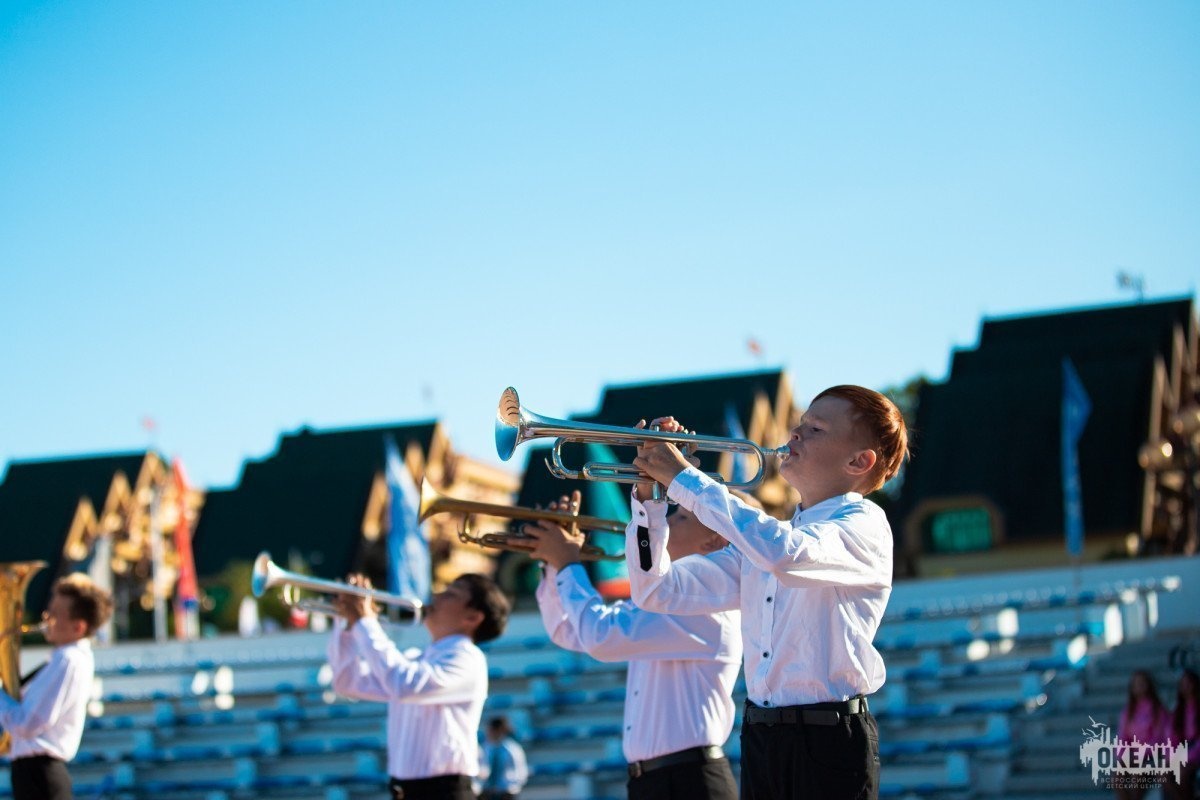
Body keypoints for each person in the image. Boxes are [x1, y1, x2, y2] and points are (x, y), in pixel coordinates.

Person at [628, 385, 909, 800]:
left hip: (828, 739)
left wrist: (686, 478)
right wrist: (649, 500)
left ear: (858, 461)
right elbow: (658, 592)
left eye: (814, 429)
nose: (794, 434)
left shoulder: (863, 523)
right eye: (800, 424)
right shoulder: (770, 540)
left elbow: (786, 555)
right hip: (761, 735)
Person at [523, 490, 742, 800]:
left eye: (680, 517)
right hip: (656, 780)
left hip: (688, 781)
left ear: (714, 542)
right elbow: (569, 631)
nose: (666, 522)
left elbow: (601, 636)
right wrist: (555, 565)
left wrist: (568, 563)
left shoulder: (703, 609)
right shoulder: (665, 601)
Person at [327, 573, 510, 800]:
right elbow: (348, 682)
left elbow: (403, 684)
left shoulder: (468, 659)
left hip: (443, 792)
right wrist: (347, 623)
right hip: (404, 790)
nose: (436, 595)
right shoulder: (416, 658)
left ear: (472, 617)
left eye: (451, 594)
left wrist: (365, 622)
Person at [0, 573, 114, 800]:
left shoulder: (68, 659)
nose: (46, 618)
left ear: (78, 627)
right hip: (33, 773)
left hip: (40, 776)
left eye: (54, 614)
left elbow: (28, 723)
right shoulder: (63, 659)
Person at [1165, 669, 1199, 800]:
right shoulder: (1177, 710)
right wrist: (1172, 757)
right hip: (1181, 752)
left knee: (1182, 774)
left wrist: (1187, 757)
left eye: (1189, 683)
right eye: (1183, 684)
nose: (1186, 687)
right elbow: (1171, 737)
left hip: (1195, 753)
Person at [478, 715, 529, 800]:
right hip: (487, 792)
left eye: (490, 730)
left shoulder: (512, 749)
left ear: (498, 730)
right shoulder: (486, 748)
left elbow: (520, 772)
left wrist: (510, 787)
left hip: (506, 793)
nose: (488, 733)